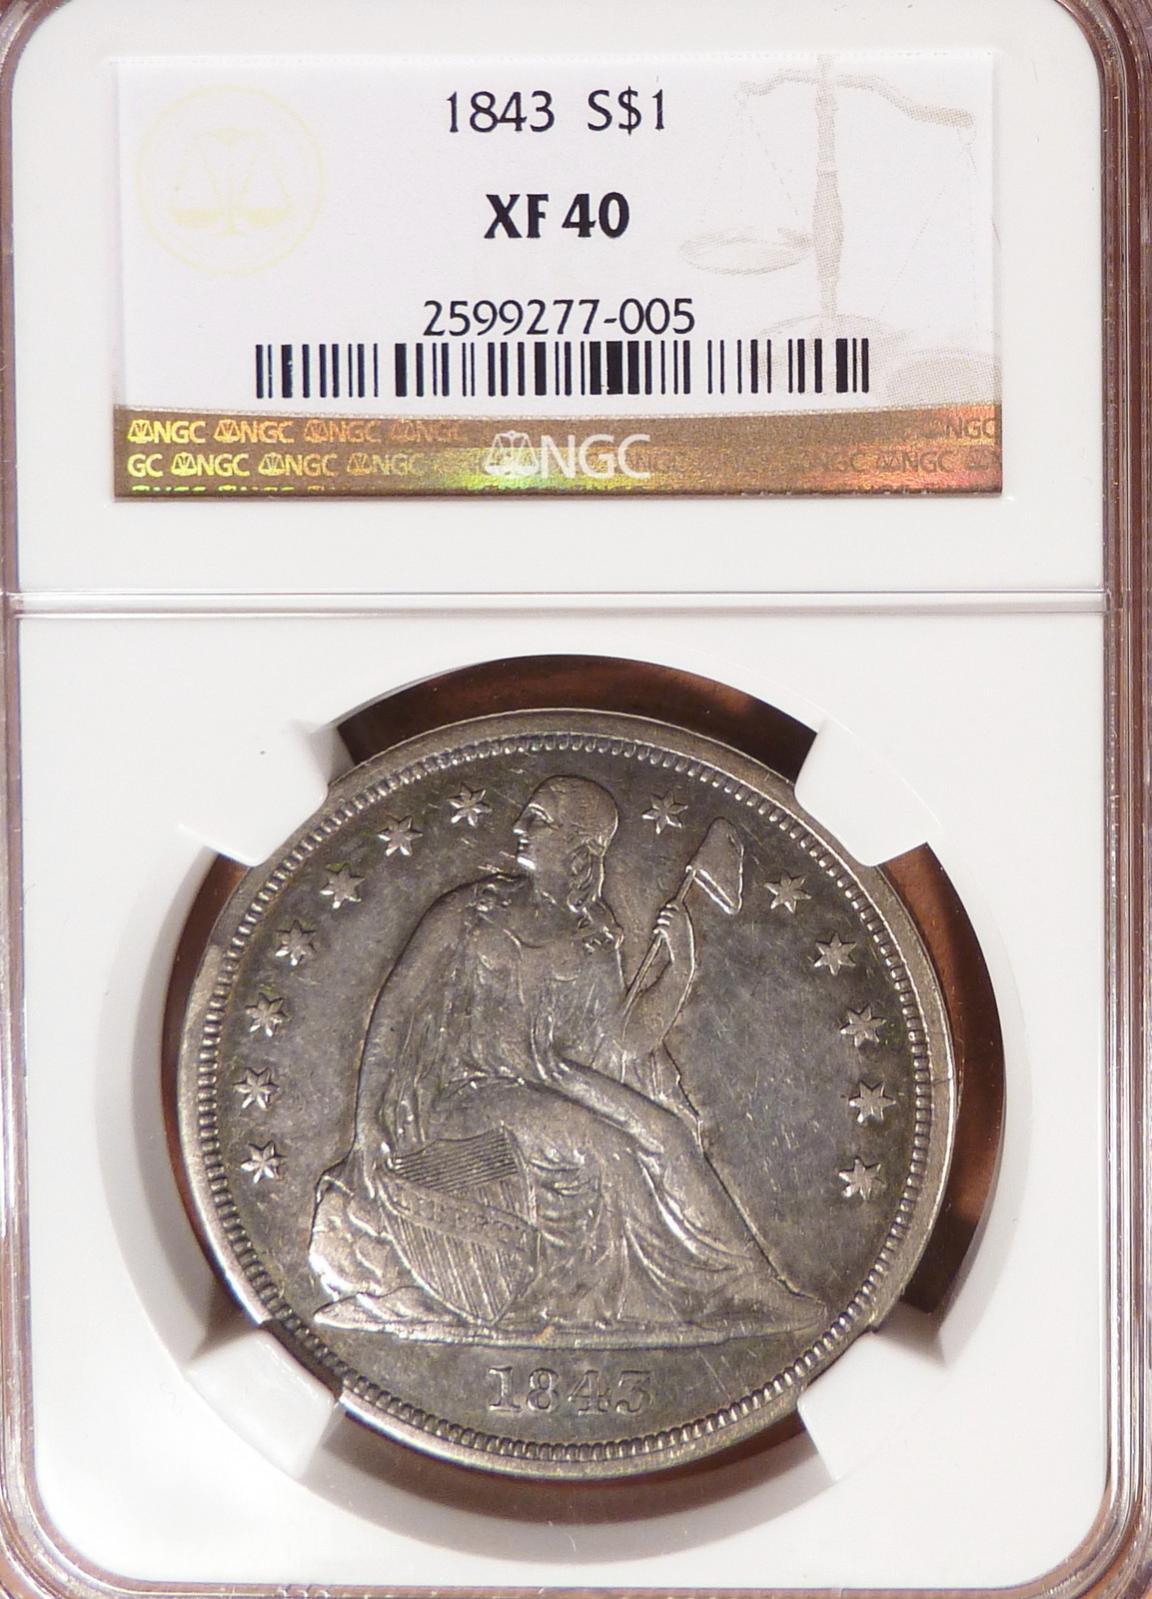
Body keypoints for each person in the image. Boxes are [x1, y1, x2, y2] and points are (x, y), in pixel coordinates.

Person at [309, 775, 821, 1343]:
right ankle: (650, 1302)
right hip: (465, 1093)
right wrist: (367, 1120)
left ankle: (749, 1289)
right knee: (603, 1146)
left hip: (554, 1079)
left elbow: (624, 1042)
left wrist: (681, 968)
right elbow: (395, 1011)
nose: (518, 828)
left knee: (668, 1134)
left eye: (537, 820)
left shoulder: (593, 935)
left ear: (578, 844)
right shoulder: (471, 911)